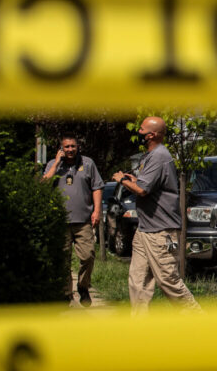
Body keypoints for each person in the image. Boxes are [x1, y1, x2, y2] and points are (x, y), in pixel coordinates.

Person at [111, 116, 200, 315]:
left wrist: (121, 180)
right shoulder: (150, 156)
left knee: (168, 280)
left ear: (151, 135)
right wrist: (133, 179)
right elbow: (147, 183)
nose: (138, 132)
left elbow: (142, 191)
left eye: (141, 130)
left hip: (161, 232)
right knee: (138, 281)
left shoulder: (159, 156)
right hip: (145, 229)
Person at [43, 135, 104, 306]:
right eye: (66, 147)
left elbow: (97, 187)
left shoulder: (88, 163)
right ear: (61, 149)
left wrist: (97, 210)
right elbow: (43, 183)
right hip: (60, 221)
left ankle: (83, 287)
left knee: (88, 256)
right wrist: (55, 163)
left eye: (73, 146)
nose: (70, 150)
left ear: (77, 147)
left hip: (83, 220)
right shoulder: (53, 164)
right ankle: (66, 293)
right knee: (63, 259)